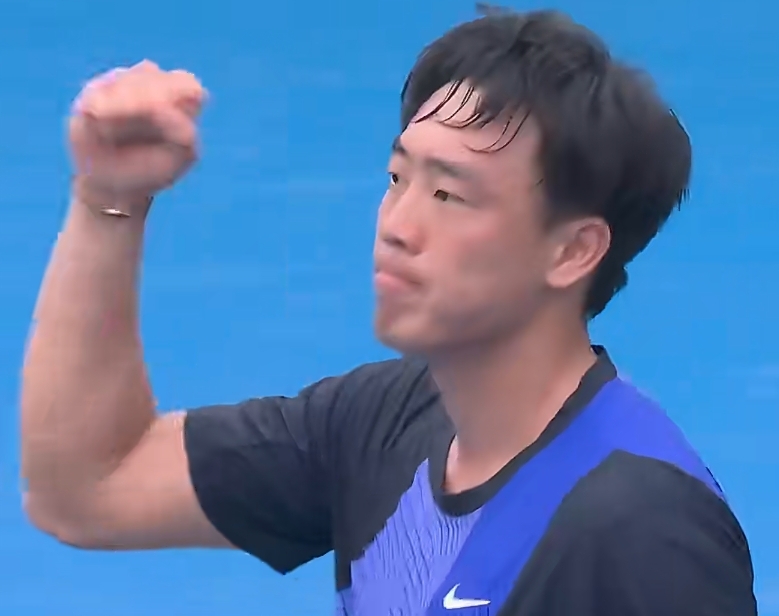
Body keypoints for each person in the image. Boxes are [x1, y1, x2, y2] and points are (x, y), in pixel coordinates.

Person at [20, 6, 756, 615]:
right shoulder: (383, 419)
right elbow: (89, 489)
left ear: (571, 252)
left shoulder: (640, 534)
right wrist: (107, 199)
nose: (397, 225)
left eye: (448, 194)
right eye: (397, 177)